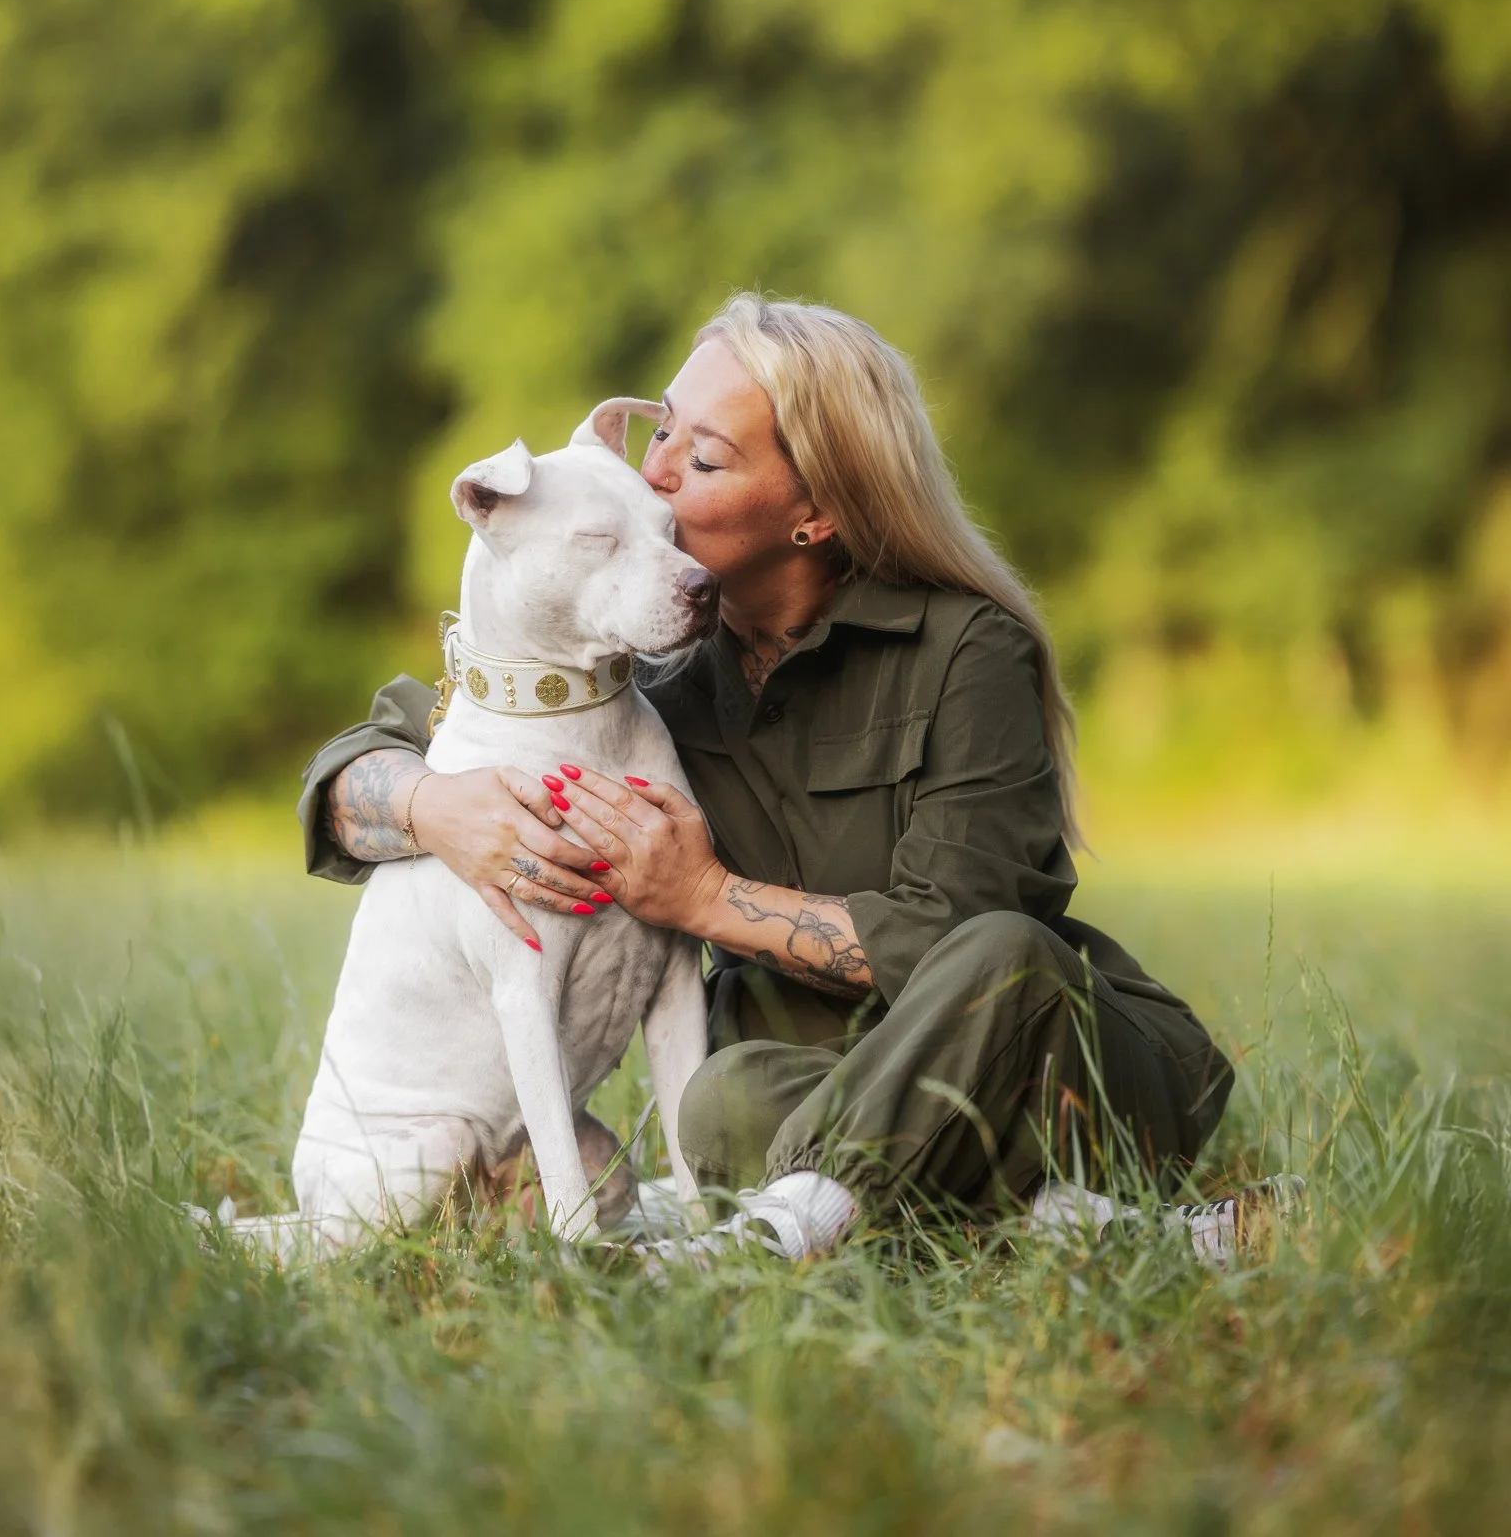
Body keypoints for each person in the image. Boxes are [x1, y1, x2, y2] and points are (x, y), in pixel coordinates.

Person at [298, 293, 1237, 1262]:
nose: (652, 478)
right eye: (661, 432)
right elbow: (359, 764)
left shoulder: (965, 653)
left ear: (817, 512)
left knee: (1003, 951)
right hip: (819, 1087)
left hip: (1041, 1059)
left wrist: (708, 899)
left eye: (701, 459)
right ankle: (1093, 1235)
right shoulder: (641, 660)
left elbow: (953, 938)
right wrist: (433, 805)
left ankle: (766, 1243)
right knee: (722, 1101)